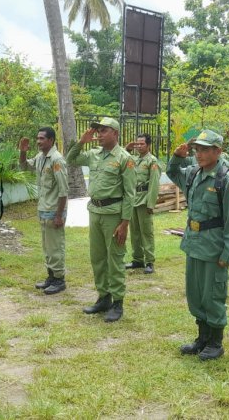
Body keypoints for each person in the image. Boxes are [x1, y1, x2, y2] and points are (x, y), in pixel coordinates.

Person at [166, 130, 229, 361]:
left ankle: (216, 342)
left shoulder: (226, 181)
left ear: (217, 151)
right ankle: (202, 338)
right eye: (197, 149)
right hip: (194, 244)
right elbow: (171, 172)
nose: (199, 154)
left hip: (214, 247)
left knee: (213, 294)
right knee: (196, 294)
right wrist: (177, 157)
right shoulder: (193, 174)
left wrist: (227, 253)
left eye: (205, 149)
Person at [66, 117, 135, 322]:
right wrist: (80, 142)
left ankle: (117, 302)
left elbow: (130, 194)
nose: (99, 134)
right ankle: (103, 297)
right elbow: (70, 159)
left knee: (115, 258)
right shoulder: (94, 155)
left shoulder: (124, 158)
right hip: (95, 211)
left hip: (113, 215)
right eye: (97, 131)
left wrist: (125, 223)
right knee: (97, 257)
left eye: (103, 130)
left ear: (115, 133)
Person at [19, 127, 69, 295]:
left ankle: (59, 279)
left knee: (55, 246)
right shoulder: (41, 158)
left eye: (42, 138)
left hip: (54, 211)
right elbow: (25, 167)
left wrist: (59, 215)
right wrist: (23, 152)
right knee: (47, 247)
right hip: (43, 209)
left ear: (51, 140)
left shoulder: (56, 160)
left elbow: (63, 191)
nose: (38, 141)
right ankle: (51, 277)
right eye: (37, 138)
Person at [124, 133, 161, 274]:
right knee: (134, 232)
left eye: (142, 144)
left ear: (148, 145)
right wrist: (126, 149)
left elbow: (154, 183)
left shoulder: (152, 161)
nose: (139, 146)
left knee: (146, 232)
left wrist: (151, 203)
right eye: (137, 144)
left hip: (144, 200)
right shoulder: (133, 159)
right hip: (133, 199)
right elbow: (120, 160)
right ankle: (137, 260)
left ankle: (150, 261)